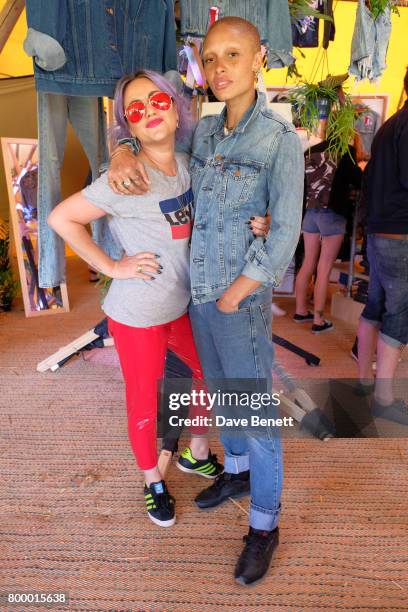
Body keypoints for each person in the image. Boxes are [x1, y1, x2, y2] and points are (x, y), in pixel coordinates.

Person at [108, 17, 304, 585]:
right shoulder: (207, 132)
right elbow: (158, 140)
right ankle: (237, 472)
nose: (220, 68)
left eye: (233, 55)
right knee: (220, 396)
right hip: (195, 295)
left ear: (259, 58)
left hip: (237, 301)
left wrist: (236, 294)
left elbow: (286, 231)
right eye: (211, 58)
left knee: (256, 415)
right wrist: (123, 148)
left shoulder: (278, 140)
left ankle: (265, 526)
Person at [47, 71, 229, 529]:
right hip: (139, 314)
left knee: (210, 373)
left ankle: (197, 451)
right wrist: (112, 268)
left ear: (176, 105)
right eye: (135, 108)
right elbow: (62, 218)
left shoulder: (189, 164)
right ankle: (153, 481)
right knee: (145, 400)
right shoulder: (122, 179)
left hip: (184, 305)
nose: (148, 112)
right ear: (125, 124)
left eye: (157, 101)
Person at [357, 67, 408, 419]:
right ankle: (384, 399)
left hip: (378, 231)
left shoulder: (390, 125)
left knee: (375, 305)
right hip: (400, 233)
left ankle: (362, 382)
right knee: (398, 313)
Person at [294, 137, 363, 333]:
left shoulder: (310, 150)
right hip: (332, 214)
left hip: (309, 212)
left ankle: (300, 311)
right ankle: (318, 320)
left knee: (308, 262)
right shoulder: (345, 150)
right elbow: (359, 179)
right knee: (324, 268)